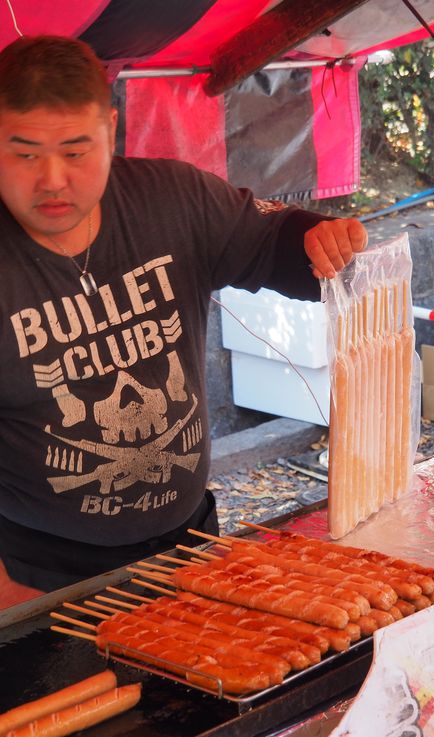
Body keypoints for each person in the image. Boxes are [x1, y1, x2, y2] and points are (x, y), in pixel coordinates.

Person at [0, 35, 368, 604]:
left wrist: (322, 242)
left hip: (192, 551)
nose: (52, 178)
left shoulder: (171, 200)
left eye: (76, 151)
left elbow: (272, 242)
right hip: (39, 575)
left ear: (112, 130)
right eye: (25, 153)